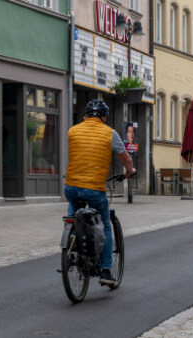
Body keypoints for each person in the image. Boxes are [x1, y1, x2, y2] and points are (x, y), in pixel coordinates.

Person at [64, 99, 134, 287]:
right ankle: (105, 270)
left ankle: (70, 247)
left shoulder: (72, 131)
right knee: (105, 224)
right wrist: (129, 172)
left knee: (72, 214)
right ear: (104, 118)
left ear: (85, 116)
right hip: (94, 188)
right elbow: (125, 157)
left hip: (71, 186)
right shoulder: (110, 133)